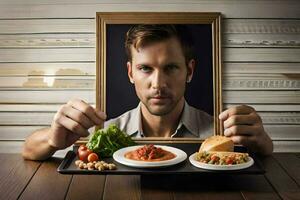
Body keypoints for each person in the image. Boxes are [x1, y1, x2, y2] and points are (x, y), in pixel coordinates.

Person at [22, 25, 273, 160]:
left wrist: (262, 143)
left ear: (190, 70)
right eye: (145, 68)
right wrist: (53, 140)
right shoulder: (107, 133)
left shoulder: (220, 135)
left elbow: (264, 153)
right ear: (131, 73)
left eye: (171, 67)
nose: (158, 83)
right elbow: (28, 150)